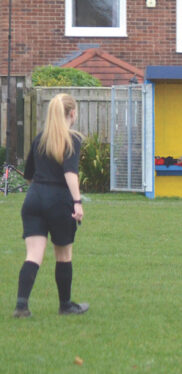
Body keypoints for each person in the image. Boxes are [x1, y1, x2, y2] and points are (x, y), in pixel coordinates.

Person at [13, 93, 88, 318]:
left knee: (33, 255)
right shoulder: (71, 139)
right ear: (72, 114)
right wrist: (77, 202)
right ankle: (65, 305)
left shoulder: (39, 140)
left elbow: (28, 175)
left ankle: (21, 306)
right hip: (59, 200)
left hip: (34, 198)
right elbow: (70, 173)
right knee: (63, 254)